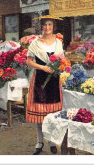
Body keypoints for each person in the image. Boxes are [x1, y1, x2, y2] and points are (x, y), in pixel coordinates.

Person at [26, 15, 64, 155]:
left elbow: (62, 59)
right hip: (40, 80)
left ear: (53, 26)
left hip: (54, 80)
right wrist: (42, 67)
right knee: (40, 113)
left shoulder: (58, 43)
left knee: (52, 114)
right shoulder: (35, 43)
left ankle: (51, 141)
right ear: (41, 27)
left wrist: (61, 66)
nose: (47, 27)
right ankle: (40, 141)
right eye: (45, 25)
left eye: (50, 25)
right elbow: (29, 62)